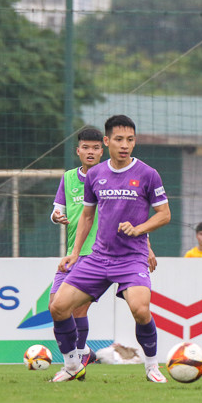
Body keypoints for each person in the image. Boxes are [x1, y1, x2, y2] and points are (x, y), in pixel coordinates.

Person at [49, 114, 171, 383]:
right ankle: (72, 365)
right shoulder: (96, 174)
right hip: (98, 258)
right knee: (58, 307)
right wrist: (74, 252)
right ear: (107, 141)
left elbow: (164, 214)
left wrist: (140, 230)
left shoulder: (148, 174)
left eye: (130, 139)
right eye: (118, 139)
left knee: (140, 310)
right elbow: (87, 217)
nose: (124, 145)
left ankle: (152, 366)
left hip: (131, 259)